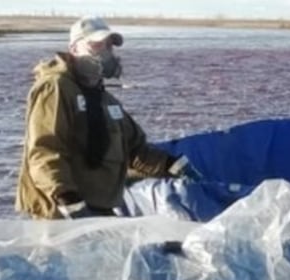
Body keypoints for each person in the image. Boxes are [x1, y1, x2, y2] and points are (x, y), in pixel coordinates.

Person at [16, 16, 195, 220]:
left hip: (100, 209)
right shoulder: (56, 87)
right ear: (74, 49)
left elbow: (136, 151)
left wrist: (173, 165)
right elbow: (44, 151)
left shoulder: (106, 100)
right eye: (96, 45)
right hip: (59, 212)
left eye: (109, 46)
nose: (105, 53)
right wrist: (68, 199)